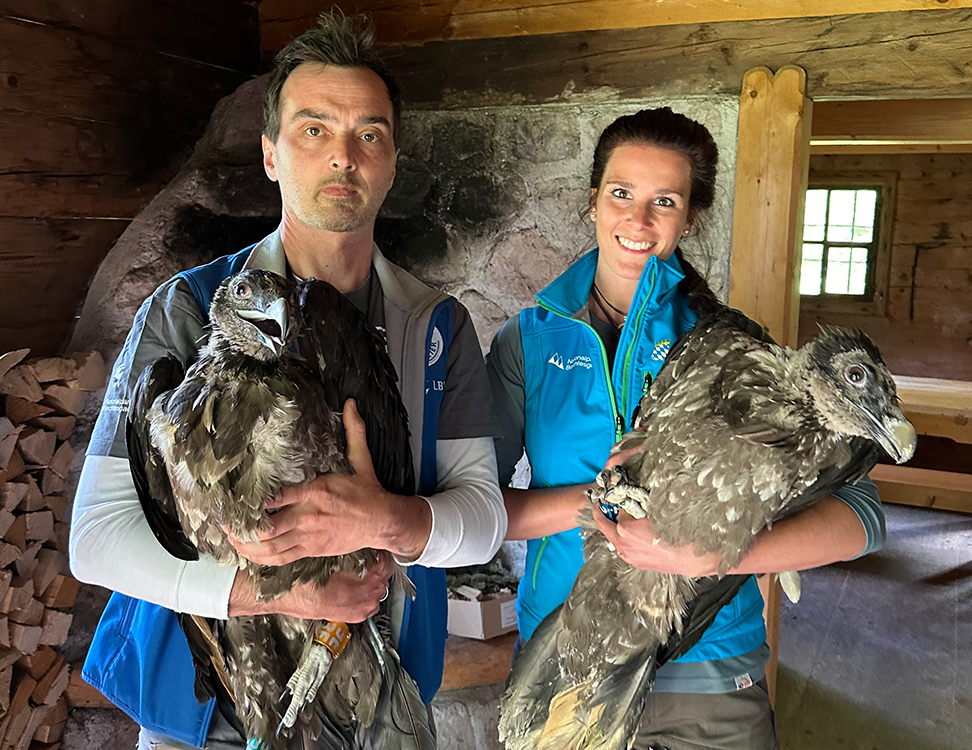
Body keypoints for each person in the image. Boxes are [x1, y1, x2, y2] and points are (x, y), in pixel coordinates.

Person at [69, 12, 506, 750]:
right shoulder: (185, 310)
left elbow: (483, 521)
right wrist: (271, 589)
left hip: (370, 702)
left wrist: (385, 520)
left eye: (369, 133)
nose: (343, 156)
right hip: (202, 711)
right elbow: (96, 540)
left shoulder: (435, 328)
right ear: (272, 154)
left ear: (392, 160)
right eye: (313, 129)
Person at [485, 107, 885, 750]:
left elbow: (863, 518)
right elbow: (478, 508)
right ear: (593, 202)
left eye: (664, 201)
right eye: (621, 194)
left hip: (712, 669)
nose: (638, 221)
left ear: (689, 217)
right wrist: (600, 504)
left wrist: (712, 552)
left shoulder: (734, 347)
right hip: (569, 660)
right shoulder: (524, 343)